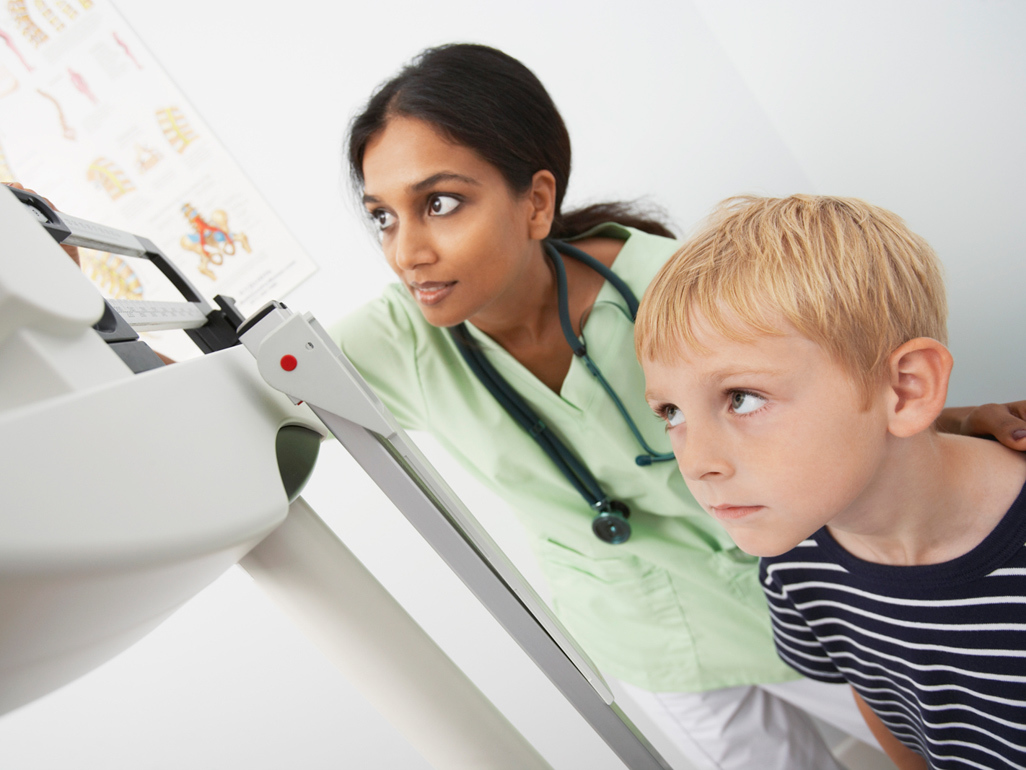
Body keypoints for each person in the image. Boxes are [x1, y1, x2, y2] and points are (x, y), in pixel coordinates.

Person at [634, 194, 1026, 769]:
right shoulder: (797, 571)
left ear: (908, 389)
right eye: (671, 413)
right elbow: (886, 705)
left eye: (742, 398)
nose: (696, 462)